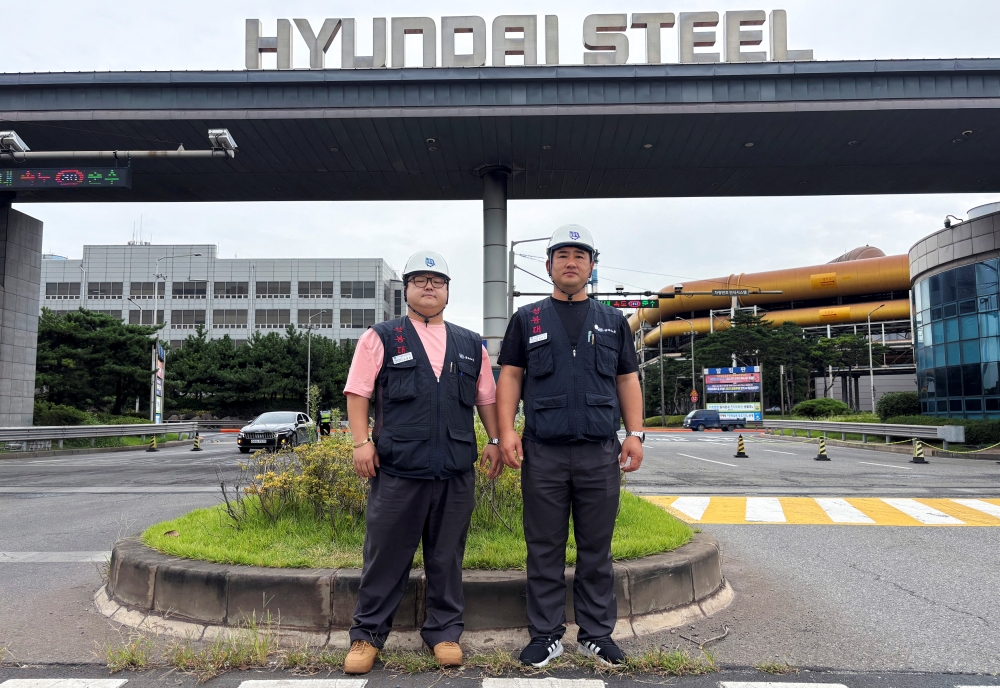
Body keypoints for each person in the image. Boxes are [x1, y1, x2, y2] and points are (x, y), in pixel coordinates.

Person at [342, 250, 503, 674]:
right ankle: (366, 636)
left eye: (437, 281)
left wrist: (496, 439)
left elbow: (486, 398)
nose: (429, 287)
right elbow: (357, 393)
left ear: (448, 291)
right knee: (385, 555)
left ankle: (445, 632)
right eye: (420, 280)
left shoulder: (471, 344)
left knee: (447, 556)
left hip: (454, 471)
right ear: (407, 289)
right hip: (398, 471)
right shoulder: (381, 337)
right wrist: (361, 442)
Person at [495, 224, 645, 668]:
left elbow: (626, 379)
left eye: (580, 255)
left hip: (599, 451)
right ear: (548, 266)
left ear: (592, 266)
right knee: (543, 545)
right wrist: (507, 432)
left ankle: (596, 634)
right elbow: (511, 377)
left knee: (597, 547)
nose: (571, 262)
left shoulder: (612, 321)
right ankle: (545, 634)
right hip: (543, 451)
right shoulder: (528, 319)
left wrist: (634, 433)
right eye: (562, 255)